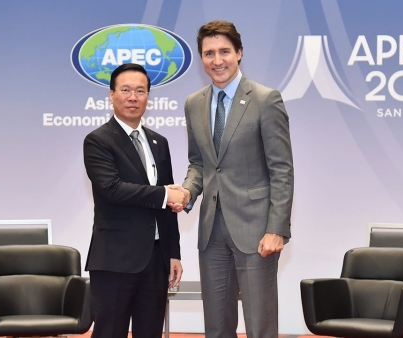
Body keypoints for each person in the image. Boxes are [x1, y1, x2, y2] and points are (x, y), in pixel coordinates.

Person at [172, 20, 294, 338]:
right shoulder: (193, 103)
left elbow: (282, 169)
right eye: (209, 53)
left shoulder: (266, 99)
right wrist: (187, 192)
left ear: (239, 53)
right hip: (212, 231)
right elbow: (199, 163)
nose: (217, 60)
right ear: (201, 58)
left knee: (259, 325)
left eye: (224, 51)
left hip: (256, 230)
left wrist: (277, 228)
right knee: (216, 325)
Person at [83, 63, 184, 338]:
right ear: (112, 94)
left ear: (148, 97)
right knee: (109, 332)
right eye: (125, 90)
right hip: (115, 259)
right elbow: (111, 189)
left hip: (155, 259)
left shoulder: (158, 142)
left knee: (150, 333)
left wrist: (173, 252)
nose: (133, 97)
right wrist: (164, 194)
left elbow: (167, 208)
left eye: (140, 91)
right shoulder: (98, 140)